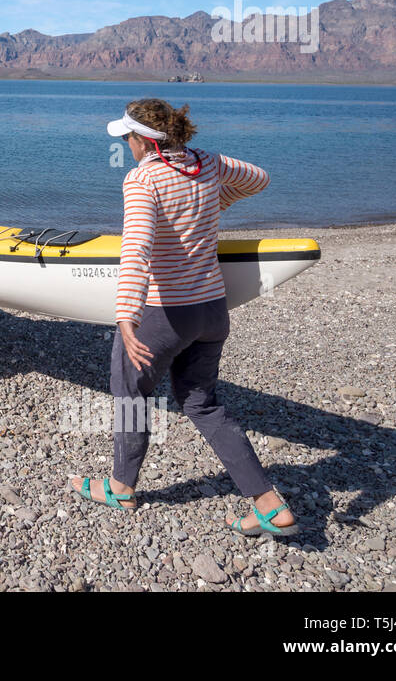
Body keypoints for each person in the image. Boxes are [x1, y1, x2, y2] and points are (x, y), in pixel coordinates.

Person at [71, 98, 300, 539]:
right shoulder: (207, 163)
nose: (127, 146)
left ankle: (121, 486)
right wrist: (213, 205)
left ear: (143, 141)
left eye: (128, 138)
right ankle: (269, 504)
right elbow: (259, 178)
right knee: (201, 403)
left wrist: (125, 319)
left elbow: (135, 251)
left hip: (165, 312)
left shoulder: (142, 179)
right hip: (211, 309)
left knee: (130, 391)